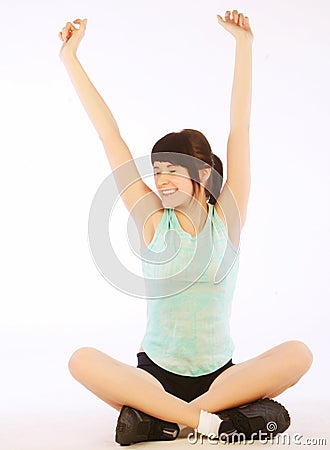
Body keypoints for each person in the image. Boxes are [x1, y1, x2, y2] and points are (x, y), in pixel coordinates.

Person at [58, 9, 313, 446]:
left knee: (299, 354)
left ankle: (167, 422)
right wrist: (70, 60)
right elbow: (110, 138)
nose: (162, 179)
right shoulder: (153, 220)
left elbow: (240, 130)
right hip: (154, 379)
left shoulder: (227, 219)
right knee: (81, 360)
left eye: (173, 169)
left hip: (221, 378)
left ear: (201, 172)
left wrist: (244, 46)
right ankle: (211, 421)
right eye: (157, 171)